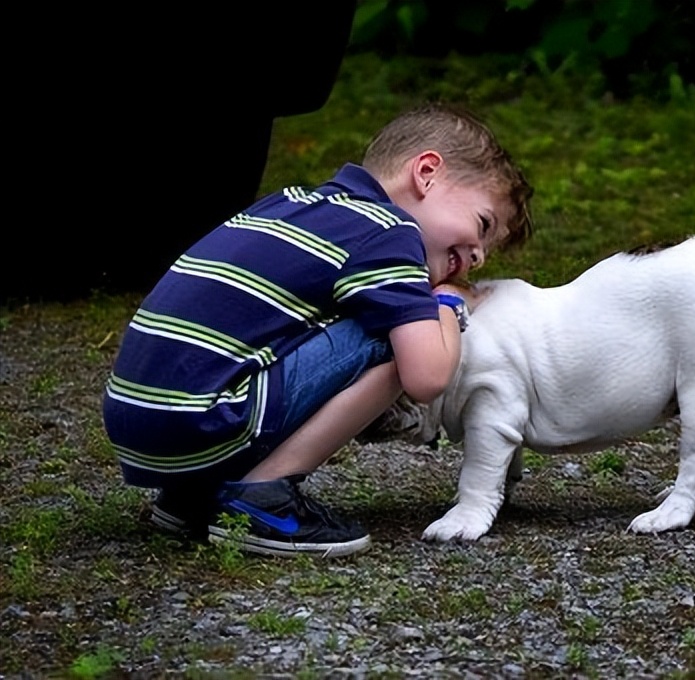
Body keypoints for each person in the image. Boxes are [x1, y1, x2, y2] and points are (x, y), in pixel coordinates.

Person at [101, 103, 534, 558]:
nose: (479, 257)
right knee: (394, 333)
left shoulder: (291, 204)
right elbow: (426, 377)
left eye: (487, 249)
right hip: (204, 418)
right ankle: (262, 496)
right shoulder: (389, 233)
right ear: (426, 173)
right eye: (482, 225)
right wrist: (445, 303)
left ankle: (193, 496)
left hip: (140, 423)